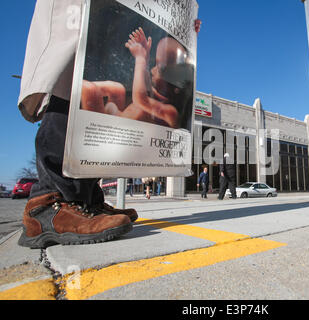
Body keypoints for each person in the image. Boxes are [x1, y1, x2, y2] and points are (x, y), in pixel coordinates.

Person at [16, 0, 200, 248]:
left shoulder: (166, 106)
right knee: (73, 69)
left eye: (166, 69)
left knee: (92, 82)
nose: (157, 70)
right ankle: (50, 201)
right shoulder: (158, 98)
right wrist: (141, 59)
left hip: (114, 120)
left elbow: (143, 92)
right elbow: (141, 94)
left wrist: (181, 29)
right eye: (158, 65)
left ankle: (84, 198)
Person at [81, 28, 195, 129]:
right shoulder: (155, 94)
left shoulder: (171, 113)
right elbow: (144, 85)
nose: (152, 70)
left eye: (160, 68)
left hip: (115, 135)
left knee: (89, 90)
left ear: (177, 86)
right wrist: (146, 55)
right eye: (155, 63)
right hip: (118, 119)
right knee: (117, 89)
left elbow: (140, 99)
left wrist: (140, 58)